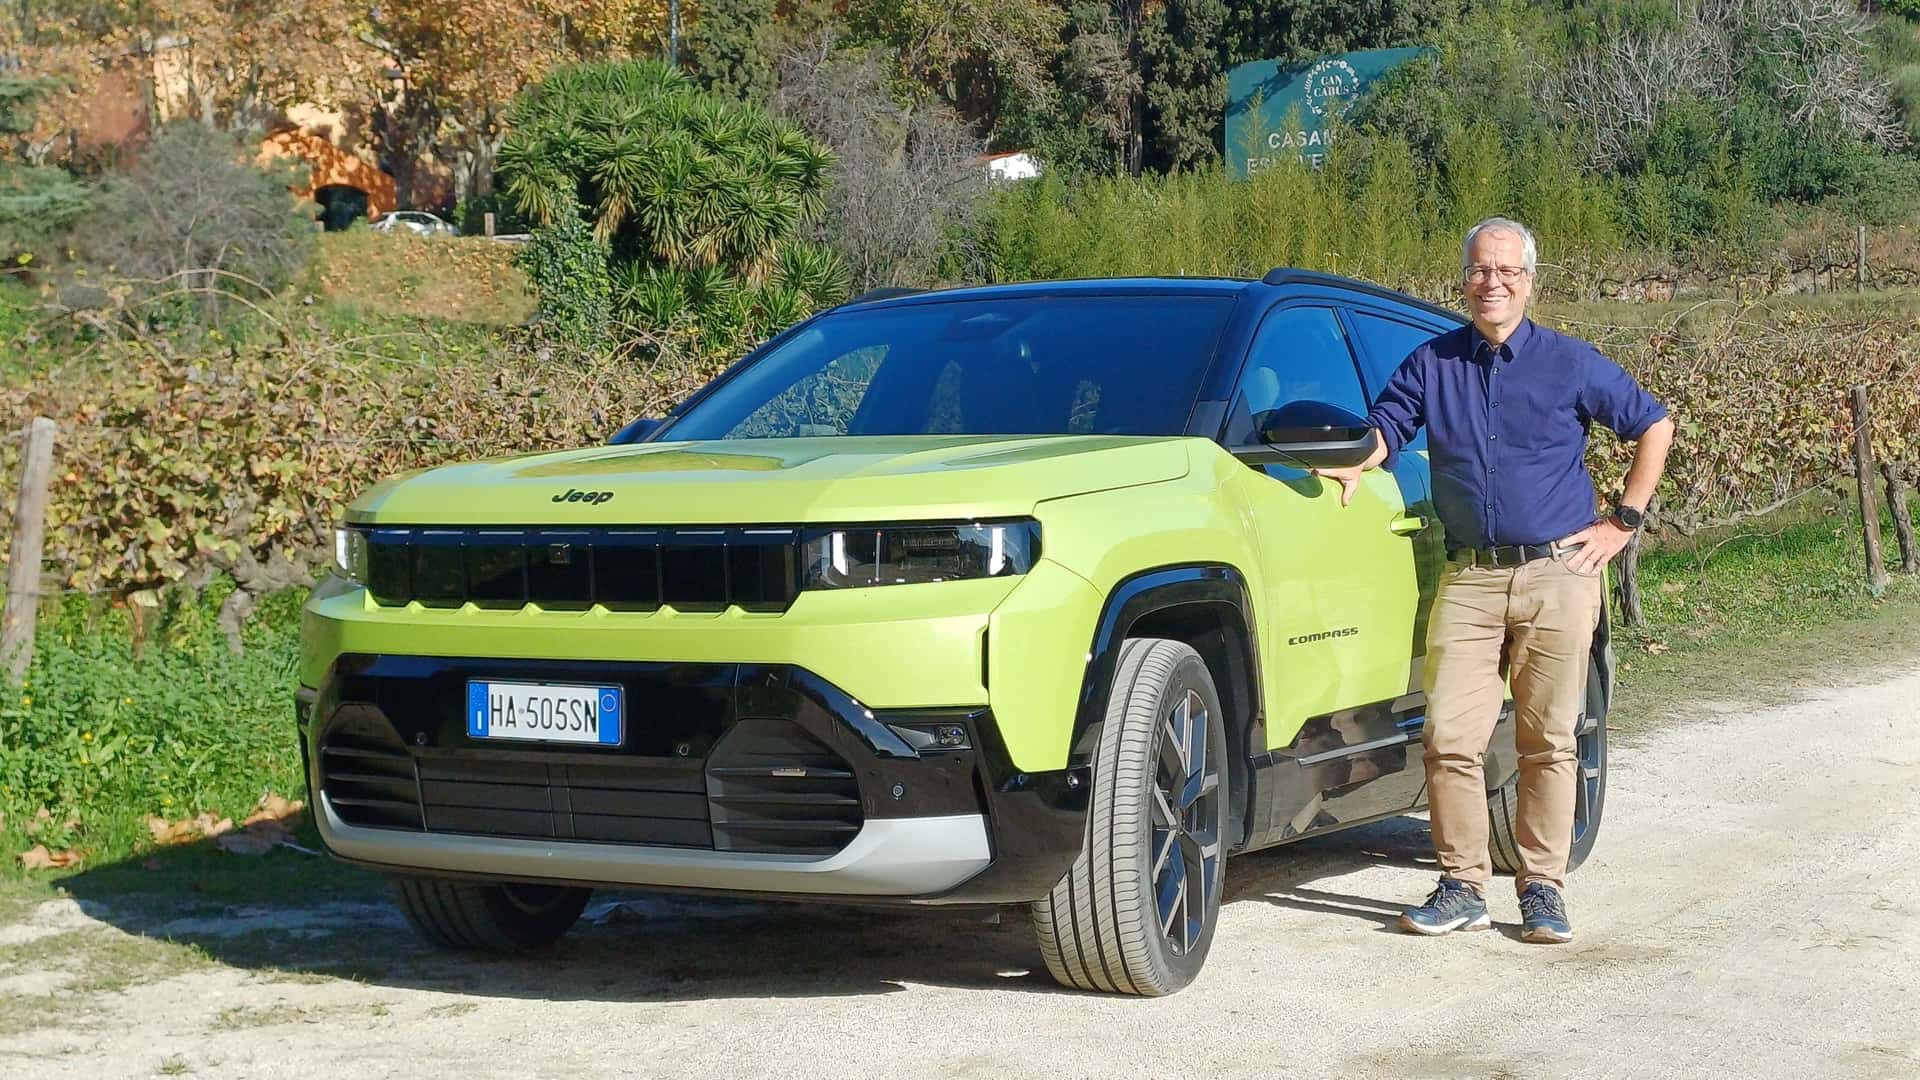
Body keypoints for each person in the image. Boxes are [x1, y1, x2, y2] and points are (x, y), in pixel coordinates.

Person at [1314, 216, 1676, 944]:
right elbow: (1389, 425)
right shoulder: (1432, 362)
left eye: (1507, 271)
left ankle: (1542, 887)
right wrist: (1357, 459)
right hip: (1471, 578)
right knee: (1449, 735)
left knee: (1549, 738)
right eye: (1481, 270)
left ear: (1529, 281)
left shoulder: (1569, 362)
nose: (1493, 283)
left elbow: (1654, 424)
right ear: (1465, 279)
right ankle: (1462, 886)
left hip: (1559, 573)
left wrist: (1622, 522)